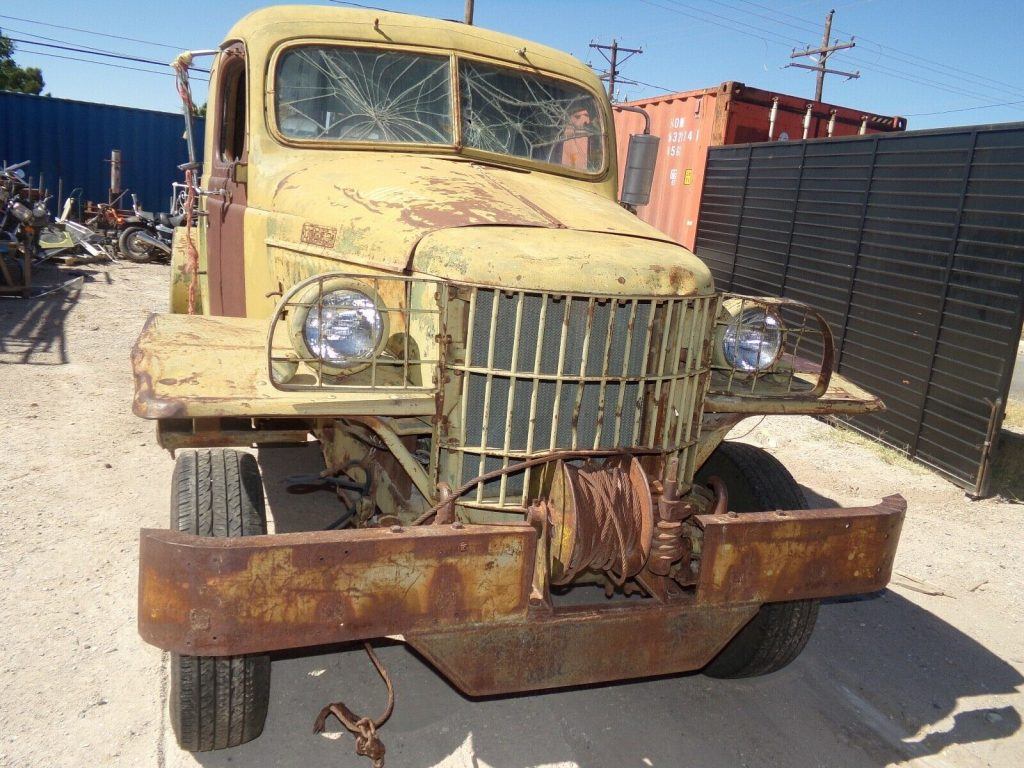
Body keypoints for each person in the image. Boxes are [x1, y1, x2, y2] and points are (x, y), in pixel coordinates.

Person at [560, 100, 595, 170]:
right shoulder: (568, 139)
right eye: (578, 117)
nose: (585, 120)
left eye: (586, 116)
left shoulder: (594, 136)